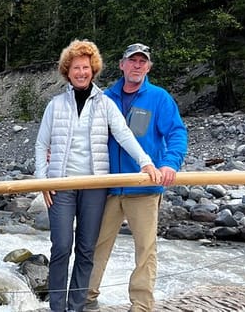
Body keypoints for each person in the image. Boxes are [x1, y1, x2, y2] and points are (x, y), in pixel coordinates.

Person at [34, 39, 161, 312]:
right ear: (67, 71)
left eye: (86, 67)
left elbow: (124, 134)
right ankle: (57, 307)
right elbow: (41, 144)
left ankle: (77, 306)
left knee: (86, 249)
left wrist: (145, 162)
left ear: (93, 70)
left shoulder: (105, 103)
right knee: (61, 247)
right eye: (76, 67)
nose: (81, 72)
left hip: (95, 186)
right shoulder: (55, 105)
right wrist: (41, 180)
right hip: (60, 186)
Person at [85, 43, 188, 312]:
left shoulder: (159, 98)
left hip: (144, 187)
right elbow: (88, 137)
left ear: (149, 67)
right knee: (96, 246)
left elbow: (177, 133)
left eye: (143, 61)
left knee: (145, 250)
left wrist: (169, 164)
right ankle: (86, 298)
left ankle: (141, 305)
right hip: (108, 187)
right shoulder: (105, 98)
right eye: (133, 61)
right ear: (122, 65)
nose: (137, 65)